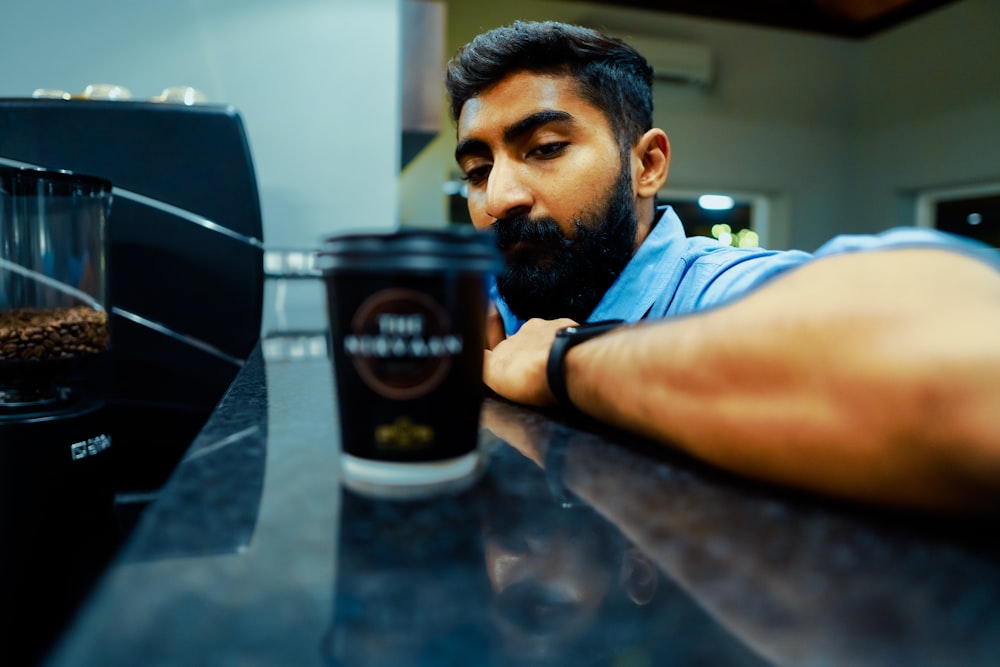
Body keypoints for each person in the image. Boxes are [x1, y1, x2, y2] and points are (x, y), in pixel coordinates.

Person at [445, 20, 1000, 513]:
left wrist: (565, 365)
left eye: (544, 148)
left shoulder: (720, 291)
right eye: (476, 169)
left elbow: (968, 373)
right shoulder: (475, 304)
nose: (499, 197)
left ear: (647, 165)